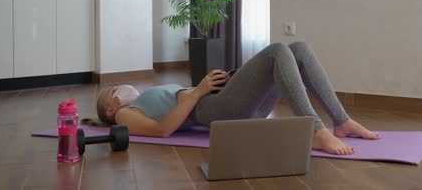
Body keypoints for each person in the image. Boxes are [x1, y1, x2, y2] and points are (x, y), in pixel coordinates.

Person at [84, 42, 379, 155]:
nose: (123, 88)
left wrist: (221, 82)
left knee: (298, 49)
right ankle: (315, 130)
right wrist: (198, 91)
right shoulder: (123, 115)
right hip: (212, 109)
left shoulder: (140, 100)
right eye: (116, 90)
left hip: (219, 100)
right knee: (277, 51)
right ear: (110, 108)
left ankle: (342, 121)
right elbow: (162, 131)